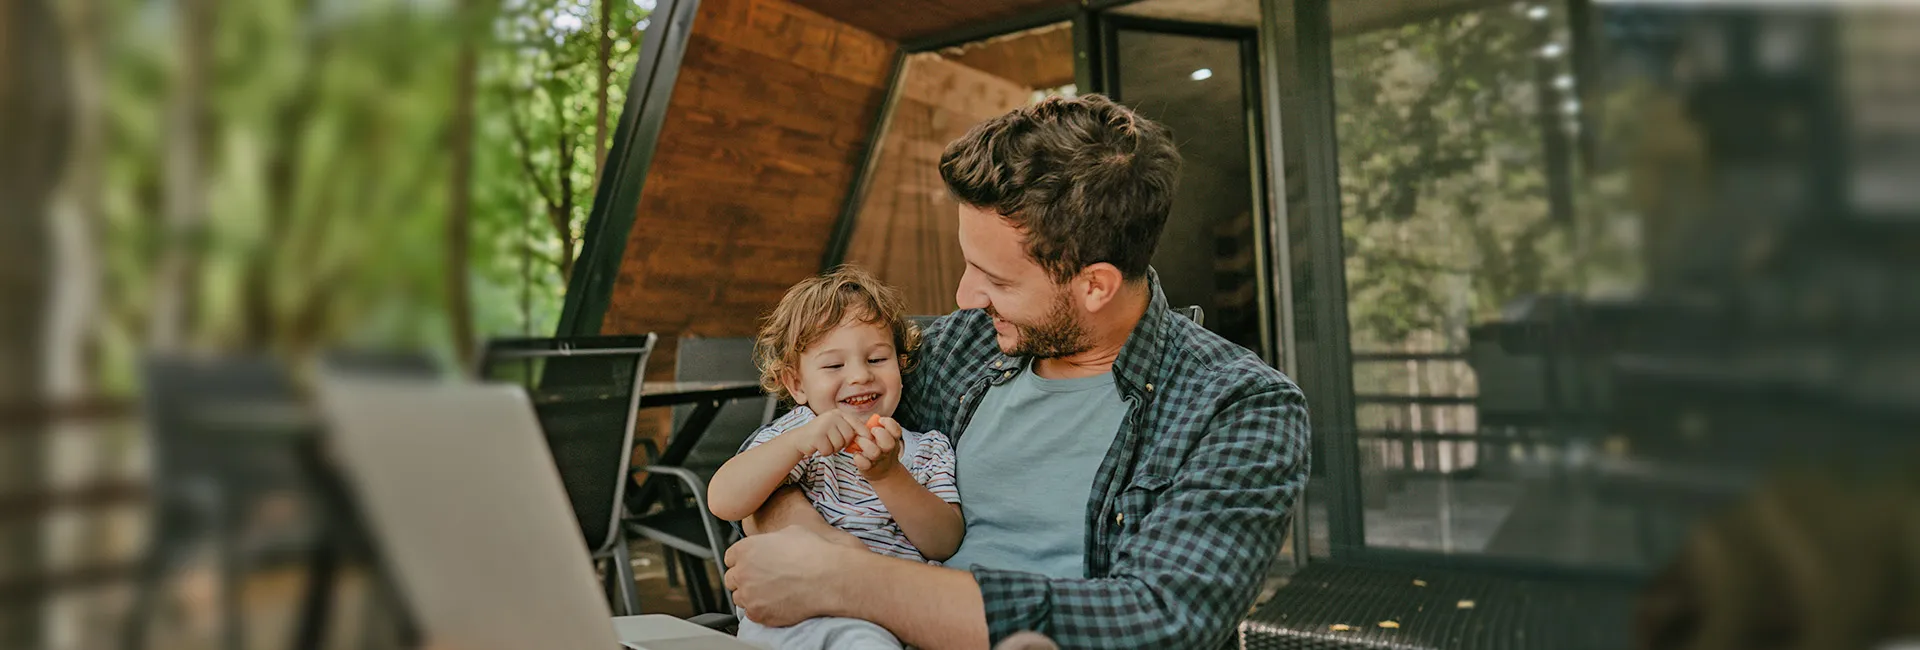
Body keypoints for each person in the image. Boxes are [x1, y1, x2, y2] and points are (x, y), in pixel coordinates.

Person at [722, 94, 1311, 649]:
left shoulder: (1237, 407)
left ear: (1094, 284)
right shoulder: (956, 350)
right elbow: (791, 453)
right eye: (968, 264)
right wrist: (805, 537)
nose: (965, 295)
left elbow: (1162, 620)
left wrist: (846, 578)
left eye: (997, 280)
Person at [706, 266, 965, 649]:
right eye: (833, 365)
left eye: (877, 359)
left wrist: (889, 475)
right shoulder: (795, 436)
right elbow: (724, 500)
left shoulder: (928, 448)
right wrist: (796, 443)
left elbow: (944, 542)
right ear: (796, 383)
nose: (860, 376)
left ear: (901, 363)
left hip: (892, 610)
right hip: (794, 609)